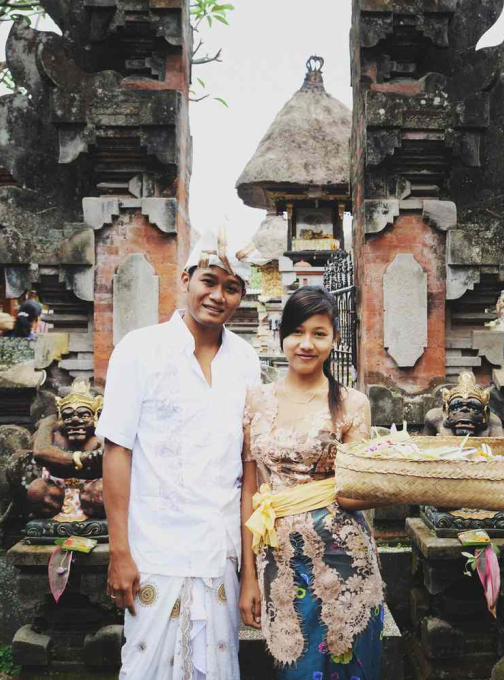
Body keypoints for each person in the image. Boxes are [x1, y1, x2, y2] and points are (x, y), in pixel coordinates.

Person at [96, 227, 263, 680]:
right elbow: (117, 452)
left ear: (242, 295)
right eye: (209, 281)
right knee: (145, 667)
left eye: (231, 288)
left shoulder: (247, 362)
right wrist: (120, 553)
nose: (218, 296)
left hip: (219, 551)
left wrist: (249, 571)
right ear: (187, 278)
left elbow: (250, 469)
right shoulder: (140, 351)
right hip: (155, 550)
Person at [239, 286, 385, 679]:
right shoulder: (256, 400)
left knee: (350, 663)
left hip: (344, 555)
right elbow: (249, 490)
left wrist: (388, 477)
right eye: (297, 332)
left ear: (334, 339)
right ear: (281, 336)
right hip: (277, 557)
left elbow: (359, 491)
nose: (306, 344)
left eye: (319, 333)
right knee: (297, 668)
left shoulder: (353, 403)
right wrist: (247, 577)